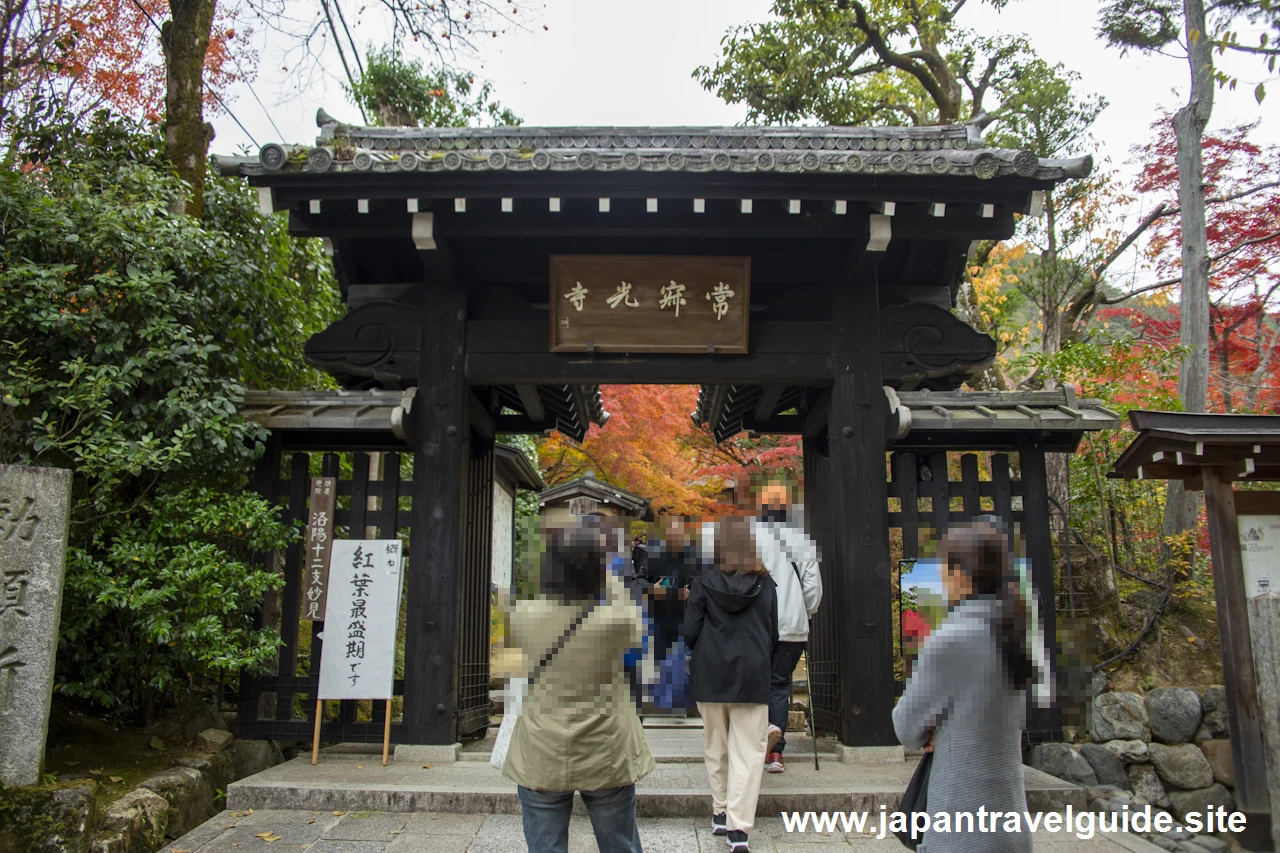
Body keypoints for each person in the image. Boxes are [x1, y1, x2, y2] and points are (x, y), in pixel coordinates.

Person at [503, 523, 656, 853]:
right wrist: (608, 572)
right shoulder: (616, 620)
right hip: (606, 748)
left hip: (541, 747)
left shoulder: (522, 616)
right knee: (620, 845)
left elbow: (511, 664)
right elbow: (637, 631)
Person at [891, 522, 1036, 853]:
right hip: (1011, 822)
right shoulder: (1015, 633)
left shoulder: (951, 637)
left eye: (943, 568)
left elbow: (906, 726)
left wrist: (933, 731)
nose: (941, 578)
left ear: (961, 573)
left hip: (961, 823)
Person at [685, 515, 778, 853]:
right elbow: (774, 632)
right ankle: (739, 829)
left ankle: (720, 810)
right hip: (752, 672)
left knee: (716, 744)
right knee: (749, 751)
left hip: (710, 672)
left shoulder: (703, 582)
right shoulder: (766, 585)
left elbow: (691, 632)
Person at [750, 479, 822, 773]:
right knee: (779, 685)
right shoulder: (802, 540)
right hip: (792, 625)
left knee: (754, 685)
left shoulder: (750, 538)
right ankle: (775, 754)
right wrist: (806, 613)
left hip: (755, 625)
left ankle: (753, 745)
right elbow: (813, 588)